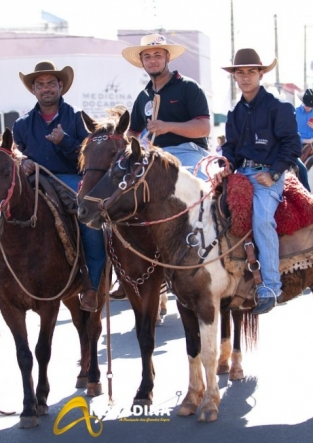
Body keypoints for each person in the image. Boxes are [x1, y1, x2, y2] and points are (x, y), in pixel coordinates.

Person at [11, 61, 106, 312]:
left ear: (61, 86)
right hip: (33, 180)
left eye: (51, 83)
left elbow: (90, 155)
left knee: (90, 218)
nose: (46, 89)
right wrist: (23, 161)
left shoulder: (77, 119)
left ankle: (92, 287)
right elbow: (15, 153)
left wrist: (65, 142)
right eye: (40, 84)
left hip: (70, 178)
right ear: (34, 90)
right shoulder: (21, 125)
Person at [219, 49, 301, 315]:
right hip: (240, 175)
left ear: (261, 73)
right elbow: (230, 147)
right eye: (240, 73)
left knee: (263, 219)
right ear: (234, 77)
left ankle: (271, 287)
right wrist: (225, 163)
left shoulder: (279, 107)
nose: (245, 77)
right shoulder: (234, 113)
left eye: (251, 72)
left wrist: (275, 173)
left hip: (268, 175)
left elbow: (291, 144)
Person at [122, 33, 211, 179]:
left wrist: (167, 126)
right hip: (154, 156)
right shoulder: (143, 97)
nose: (153, 61)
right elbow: (132, 133)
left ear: (167, 57)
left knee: (198, 189)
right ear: (142, 61)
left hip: (189, 152)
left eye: (158, 55)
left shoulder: (188, 87)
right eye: (147, 56)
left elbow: (204, 128)